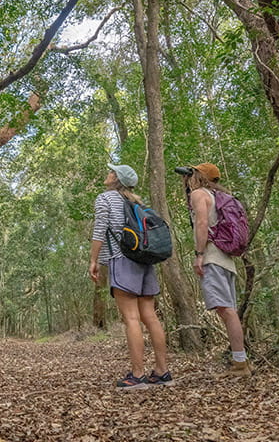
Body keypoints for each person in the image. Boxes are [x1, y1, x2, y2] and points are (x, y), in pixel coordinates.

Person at [88, 163, 172, 390]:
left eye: (111, 171)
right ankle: (162, 372)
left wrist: (94, 261)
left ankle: (137, 375)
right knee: (150, 317)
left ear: (116, 178)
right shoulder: (137, 201)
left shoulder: (105, 199)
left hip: (122, 259)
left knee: (132, 319)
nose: (108, 173)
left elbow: (99, 231)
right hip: (144, 261)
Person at [176, 162, 252, 377]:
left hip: (213, 257)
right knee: (228, 311)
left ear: (199, 176)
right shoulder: (217, 196)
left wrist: (199, 255)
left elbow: (201, 223)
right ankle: (241, 361)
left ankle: (241, 364)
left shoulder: (200, 194)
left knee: (225, 310)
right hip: (226, 259)